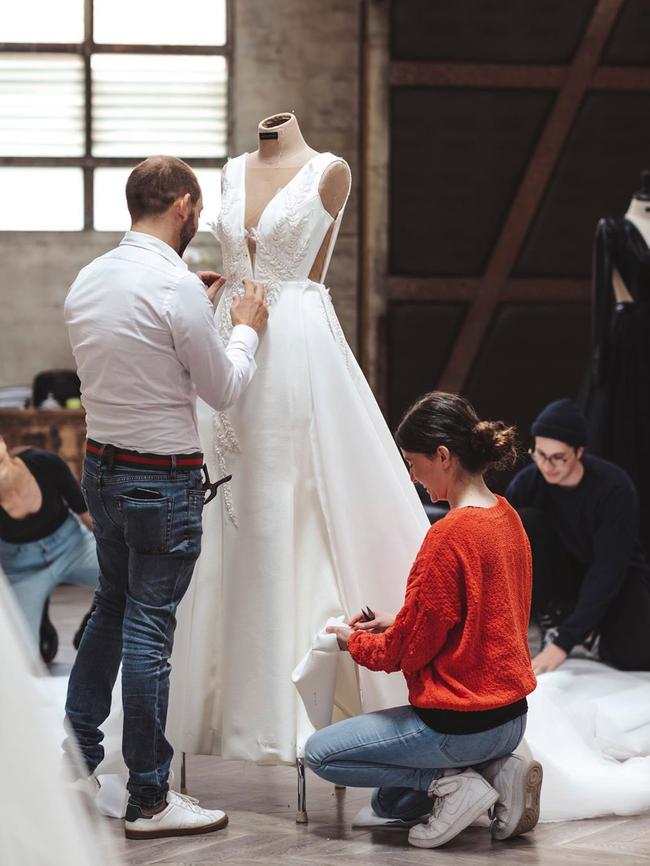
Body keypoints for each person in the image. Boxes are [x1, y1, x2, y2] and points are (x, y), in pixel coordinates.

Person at [63, 155, 268, 840]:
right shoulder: (174, 286)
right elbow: (226, 389)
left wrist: (197, 309)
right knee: (150, 632)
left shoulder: (91, 279)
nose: (199, 222)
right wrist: (244, 327)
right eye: (198, 212)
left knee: (110, 609)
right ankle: (150, 797)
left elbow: (138, 352)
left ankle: (77, 761)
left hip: (102, 468)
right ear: (181, 205)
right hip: (162, 479)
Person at [305, 392, 541, 850]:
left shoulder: (449, 535)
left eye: (413, 464)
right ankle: (496, 769)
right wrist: (399, 620)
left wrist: (350, 640)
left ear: (444, 456)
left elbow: (402, 654)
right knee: (389, 803)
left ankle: (451, 783)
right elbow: (488, 615)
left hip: (460, 724)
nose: (412, 477)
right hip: (512, 719)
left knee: (320, 754)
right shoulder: (507, 517)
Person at [506, 398, 650, 674]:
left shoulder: (614, 488)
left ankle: (590, 633)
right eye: (540, 454)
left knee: (636, 656)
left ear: (579, 452)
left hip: (615, 577)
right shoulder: (527, 483)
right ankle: (557, 619)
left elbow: (608, 569)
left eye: (558, 457)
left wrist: (563, 645)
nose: (547, 465)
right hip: (560, 579)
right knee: (523, 523)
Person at [0, 436, 98, 654]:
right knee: (21, 654)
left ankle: (94, 628)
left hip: (73, 546)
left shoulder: (44, 462)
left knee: (128, 576)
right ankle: (41, 619)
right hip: (22, 569)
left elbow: (88, 516)